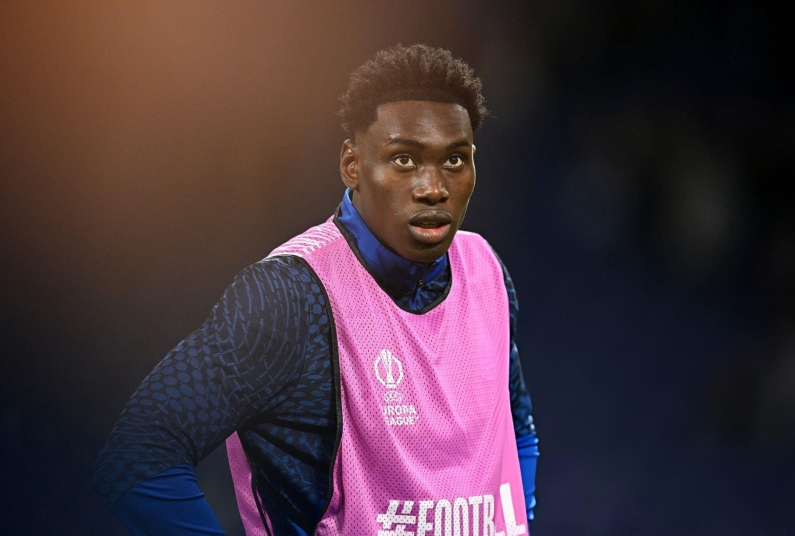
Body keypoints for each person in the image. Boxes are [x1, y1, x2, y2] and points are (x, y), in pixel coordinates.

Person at [93, 44, 539, 536]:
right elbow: (139, 453)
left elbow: (517, 432)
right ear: (352, 164)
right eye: (405, 159)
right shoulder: (289, 295)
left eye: (454, 159)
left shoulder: (485, 269)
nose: (434, 188)